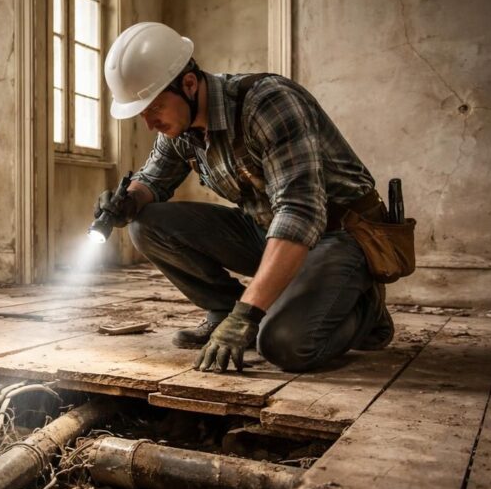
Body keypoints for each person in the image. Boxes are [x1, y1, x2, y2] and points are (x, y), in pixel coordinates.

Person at [97, 22, 393, 374]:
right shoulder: (180, 125)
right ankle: (224, 310)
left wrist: (249, 314)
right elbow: (153, 179)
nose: (149, 123)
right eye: (142, 113)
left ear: (189, 85)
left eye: (154, 108)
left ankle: (365, 311)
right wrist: (127, 201)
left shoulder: (268, 103)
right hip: (270, 229)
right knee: (145, 224)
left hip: (341, 235)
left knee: (284, 345)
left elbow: (300, 213)